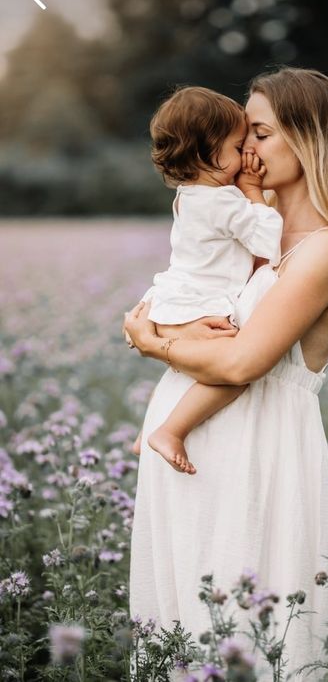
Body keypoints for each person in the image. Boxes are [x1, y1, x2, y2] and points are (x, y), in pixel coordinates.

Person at [125, 66, 328, 680]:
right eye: (244, 137)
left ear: (306, 139)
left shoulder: (324, 252)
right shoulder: (253, 234)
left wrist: (152, 343)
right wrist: (164, 328)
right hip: (188, 454)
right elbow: (191, 304)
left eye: (258, 134)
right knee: (184, 628)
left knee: (247, 629)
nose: (246, 151)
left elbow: (240, 361)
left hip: (256, 459)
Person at [128, 85, 283, 475]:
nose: (246, 154)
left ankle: (146, 429)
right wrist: (252, 192)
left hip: (172, 299)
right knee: (233, 373)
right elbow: (267, 239)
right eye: (237, 147)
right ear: (206, 153)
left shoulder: (189, 194)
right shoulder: (223, 201)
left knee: (183, 365)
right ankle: (170, 430)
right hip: (198, 303)